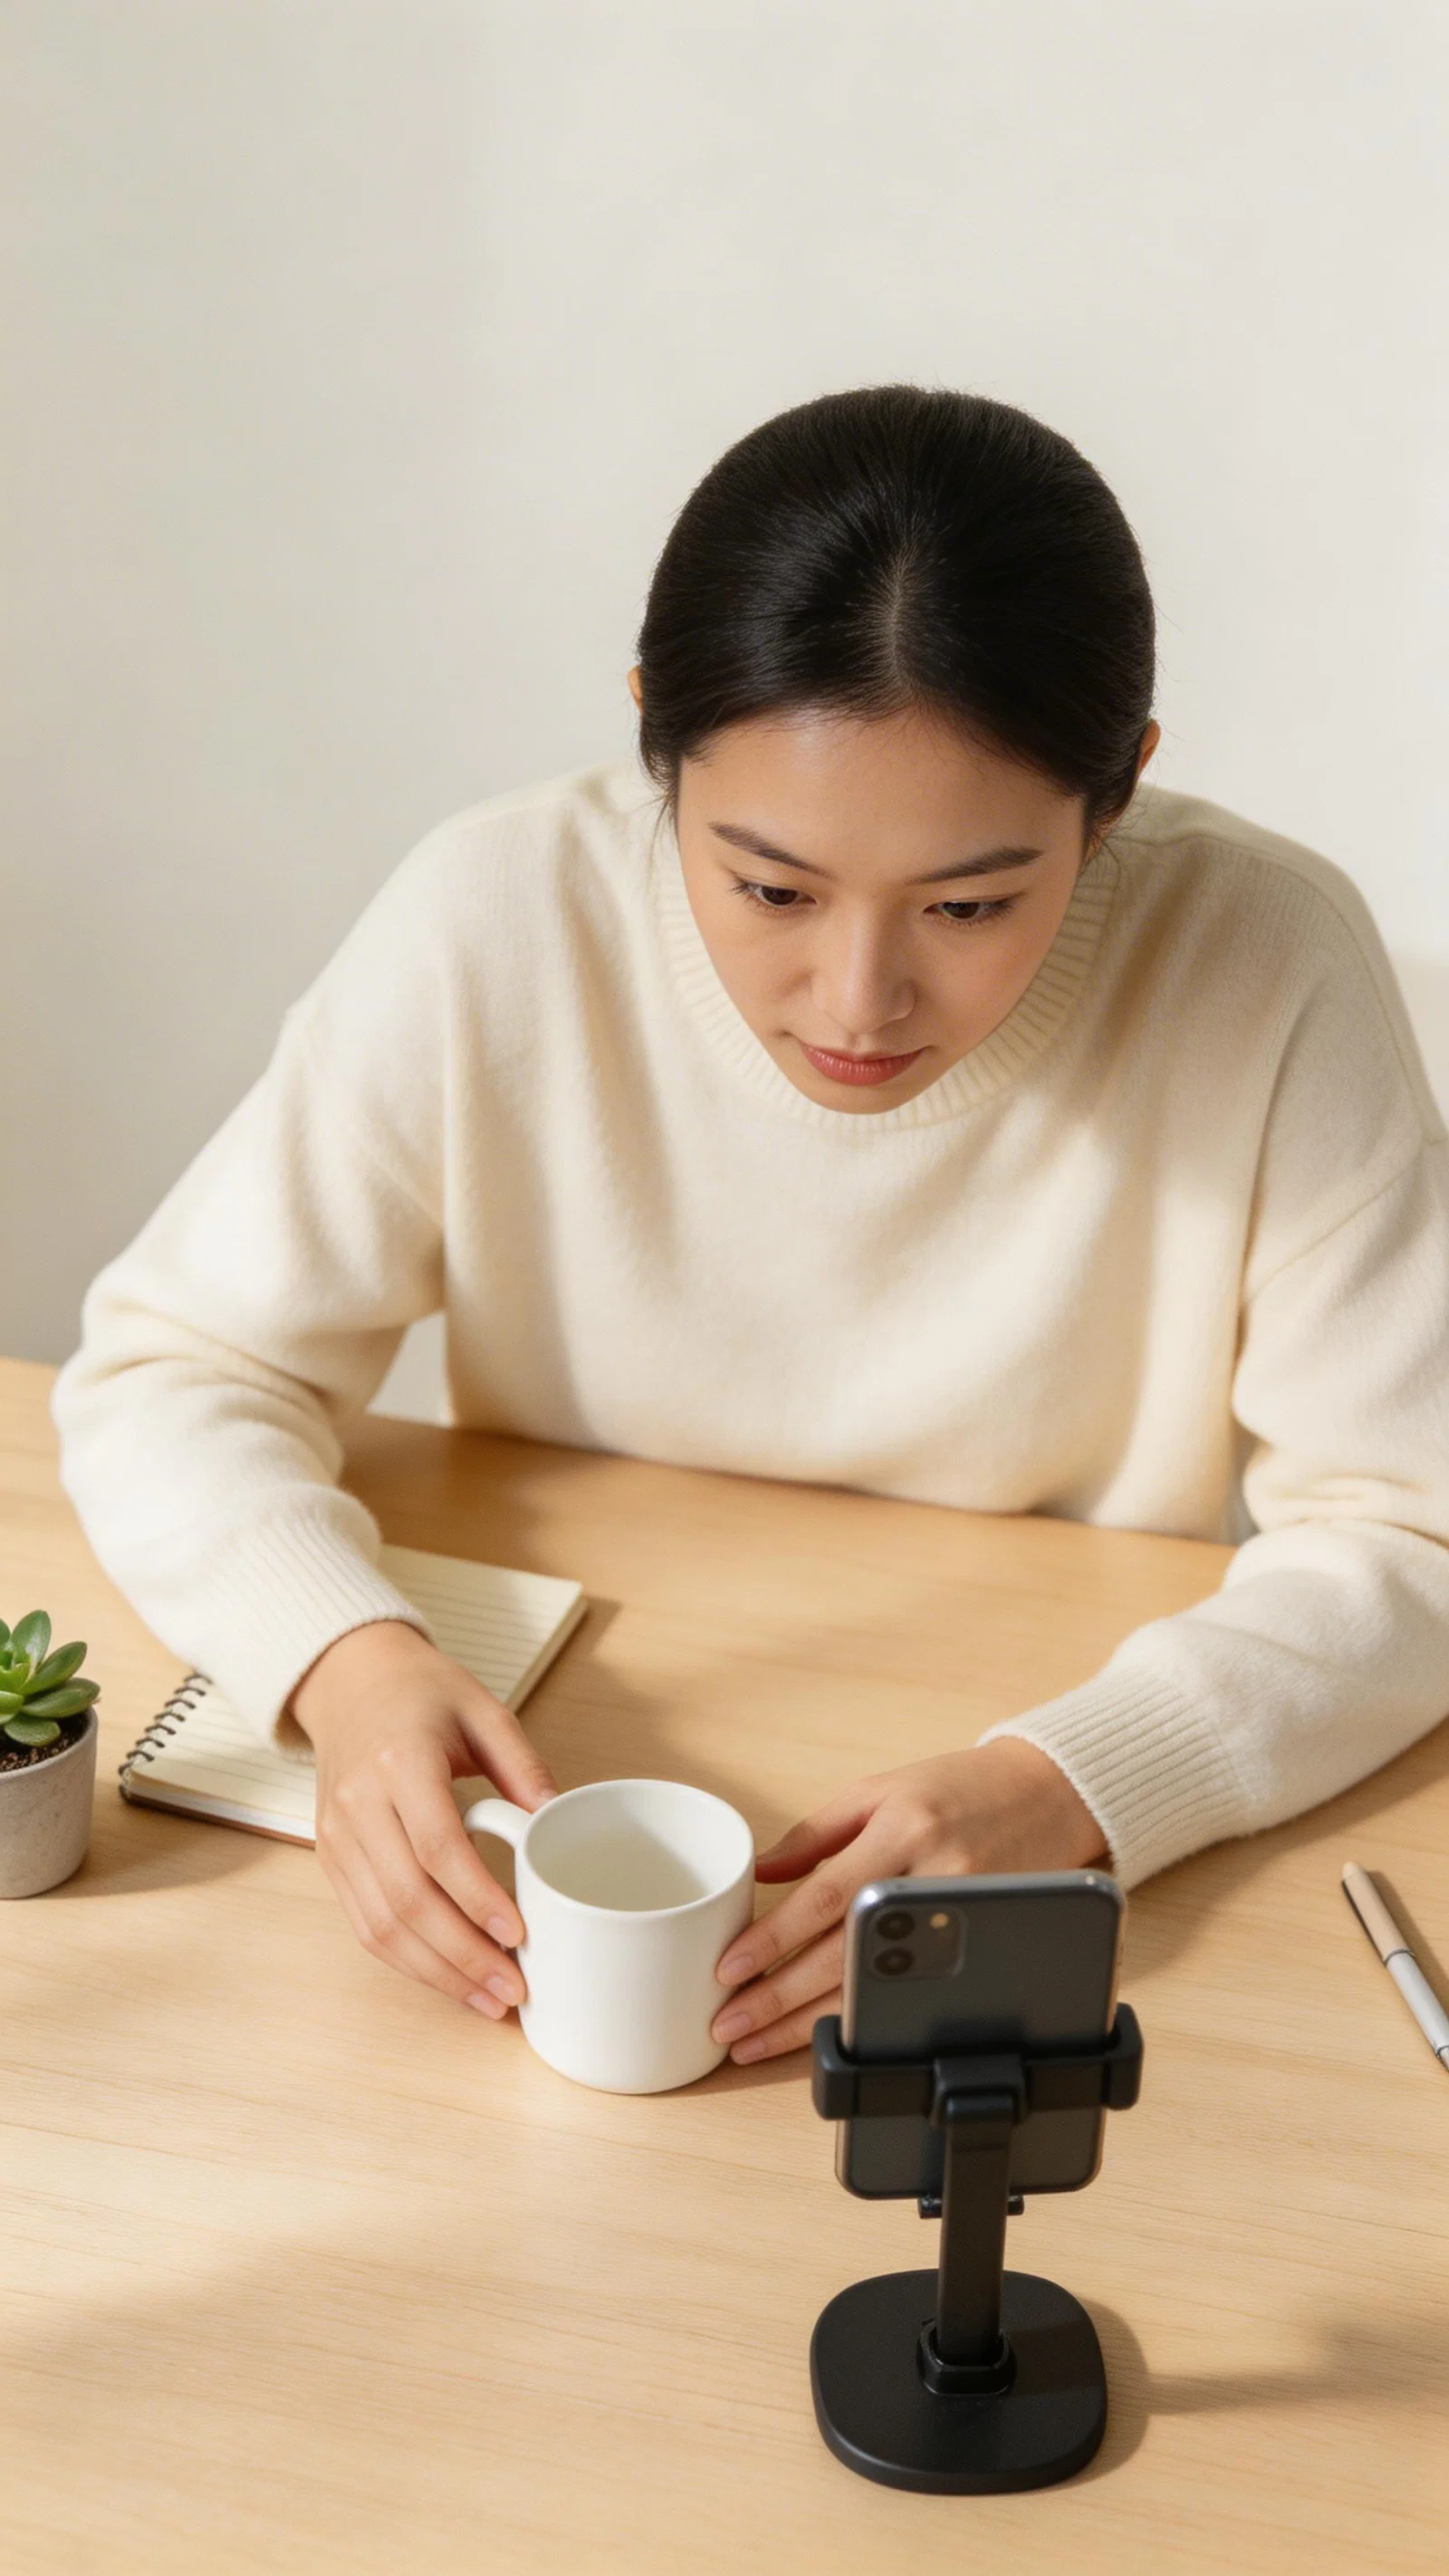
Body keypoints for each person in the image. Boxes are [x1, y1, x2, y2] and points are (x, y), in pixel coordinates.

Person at [54, 387, 1449, 2065]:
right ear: (656, 730)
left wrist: (1075, 1782)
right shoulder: (501, 913)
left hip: (1025, 1817)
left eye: (975, 903)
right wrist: (341, 1666)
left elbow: (1414, 1531)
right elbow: (170, 1367)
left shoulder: (1271, 961)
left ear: (1121, 789)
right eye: (772, 888)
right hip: (568, 1798)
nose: (858, 998)